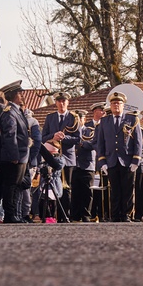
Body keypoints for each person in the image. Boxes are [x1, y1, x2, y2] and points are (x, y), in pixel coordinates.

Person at [94, 92, 143, 223]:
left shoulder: (132, 120)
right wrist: (102, 161)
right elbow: (100, 143)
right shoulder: (104, 121)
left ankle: (126, 214)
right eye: (114, 103)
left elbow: (138, 141)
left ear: (123, 106)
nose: (116, 105)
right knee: (114, 190)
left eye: (119, 103)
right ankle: (115, 215)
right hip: (111, 160)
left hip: (127, 160)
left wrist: (136, 160)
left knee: (127, 190)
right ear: (110, 105)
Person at [41, 92, 79, 222]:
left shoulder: (74, 117)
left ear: (68, 102)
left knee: (66, 188)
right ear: (56, 103)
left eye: (64, 101)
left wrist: (64, 137)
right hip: (52, 157)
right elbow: (43, 136)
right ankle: (53, 215)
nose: (61, 103)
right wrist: (53, 137)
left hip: (67, 157)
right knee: (53, 187)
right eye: (59, 101)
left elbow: (78, 138)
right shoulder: (50, 117)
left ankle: (65, 215)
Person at [0, 81, 31, 224]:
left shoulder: (17, 111)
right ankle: (10, 215)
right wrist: (14, 156)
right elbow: (10, 135)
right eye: (19, 93)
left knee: (17, 186)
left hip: (22, 155)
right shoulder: (9, 112)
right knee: (11, 186)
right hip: (15, 157)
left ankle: (15, 214)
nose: (22, 95)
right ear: (12, 95)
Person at [72, 103, 102, 222]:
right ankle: (74, 215)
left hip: (87, 164)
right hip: (74, 164)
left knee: (87, 192)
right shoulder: (71, 131)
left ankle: (86, 214)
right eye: (76, 118)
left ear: (84, 119)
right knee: (75, 191)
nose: (79, 121)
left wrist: (81, 144)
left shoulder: (90, 130)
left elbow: (95, 144)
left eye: (81, 118)